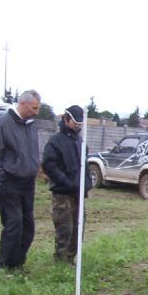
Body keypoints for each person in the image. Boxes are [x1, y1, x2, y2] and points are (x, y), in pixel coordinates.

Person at [0, 90, 42, 272]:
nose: (36, 112)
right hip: (10, 183)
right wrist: (1, 180)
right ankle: (3, 265)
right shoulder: (2, 124)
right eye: (34, 108)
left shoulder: (31, 125)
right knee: (13, 224)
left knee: (28, 227)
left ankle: (17, 264)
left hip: (28, 183)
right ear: (22, 104)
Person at [42, 105, 91, 264]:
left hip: (78, 194)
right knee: (65, 229)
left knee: (78, 229)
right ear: (66, 119)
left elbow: (85, 165)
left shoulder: (81, 142)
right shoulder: (55, 142)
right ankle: (61, 261)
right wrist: (66, 182)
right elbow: (49, 166)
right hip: (62, 194)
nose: (78, 126)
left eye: (80, 124)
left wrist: (87, 184)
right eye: (75, 122)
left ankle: (71, 259)